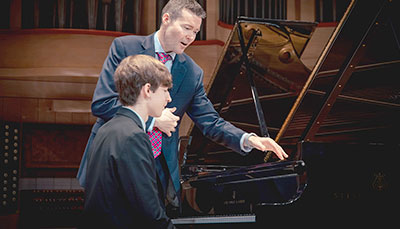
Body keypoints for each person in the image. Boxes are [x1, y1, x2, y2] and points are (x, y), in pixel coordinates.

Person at [77, 0, 288, 212]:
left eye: (196, 31)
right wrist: (153, 121)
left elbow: (210, 121)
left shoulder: (192, 72)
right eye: (187, 28)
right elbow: (103, 104)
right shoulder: (125, 48)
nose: (191, 37)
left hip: (158, 169)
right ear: (166, 19)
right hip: (114, 161)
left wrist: (248, 139)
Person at [81, 54, 176, 229]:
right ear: (148, 90)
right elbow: (149, 213)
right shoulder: (134, 136)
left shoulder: (106, 130)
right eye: (165, 90)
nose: (168, 98)